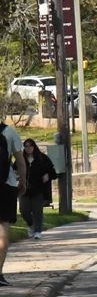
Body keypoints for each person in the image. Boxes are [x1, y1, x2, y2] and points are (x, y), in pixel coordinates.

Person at [0, 120, 28, 288]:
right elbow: (21, 160)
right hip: (6, 186)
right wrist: (23, 182)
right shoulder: (9, 131)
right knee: (3, 228)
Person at [19, 140, 56, 240]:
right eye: (26, 146)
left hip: (38, 189)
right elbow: (14, 170)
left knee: (37, 211)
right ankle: (31, 225)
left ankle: (38, 231)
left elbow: (53, 172)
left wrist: (48, 175)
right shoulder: (21, 159)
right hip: (24, 190)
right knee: (23, 210)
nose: (28, 148)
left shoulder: (42, 158)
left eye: (30, 146)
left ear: (34, 146)